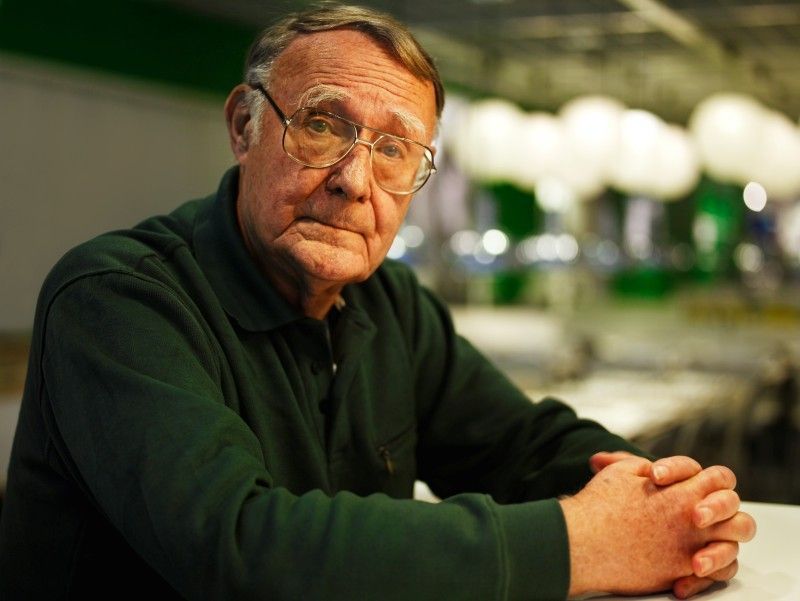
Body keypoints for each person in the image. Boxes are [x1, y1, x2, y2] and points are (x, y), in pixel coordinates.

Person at [0, 4, 755, 600]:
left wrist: (669, 500)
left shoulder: (389, 303)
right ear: (243, 125)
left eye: (395, 149)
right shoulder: (117, 299)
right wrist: (581, 543)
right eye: (324, 126)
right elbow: (241, 550)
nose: (356, 180)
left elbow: (518, 442)